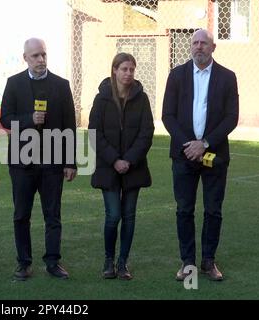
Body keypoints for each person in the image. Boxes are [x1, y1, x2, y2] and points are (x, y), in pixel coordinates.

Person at [162, 29, 239, 281]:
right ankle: (187, 262)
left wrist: (204, 143)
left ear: (213, 47)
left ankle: (208, 261)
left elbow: (231, 117)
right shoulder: (177, 75)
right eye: (195, 43)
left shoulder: (228, 77)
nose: (198, 47)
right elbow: (168, 115)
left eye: (203, 43)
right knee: (184, 209)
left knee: (213, 210)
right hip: (183, 155)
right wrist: (189, 144)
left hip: (215, 156)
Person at [0, 38, 77, 280]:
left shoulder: (61, 85)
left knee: (53, 216)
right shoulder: (13, 84)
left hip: (53, 163)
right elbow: (5, 119)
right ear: (25, 58)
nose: (40, 59)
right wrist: (29, 119)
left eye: (43, 54)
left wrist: (70, 161)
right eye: (35, 56)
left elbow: (70, 126)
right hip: (22, 163)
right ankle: (24, 263)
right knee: (21, 214)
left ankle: (53, 262)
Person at [88, 53, 154, 280]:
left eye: (131, 70)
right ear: (114, 70)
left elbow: (147, 132)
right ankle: (108, 260)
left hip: (133, 167)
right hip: (108, 167)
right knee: (113, 215)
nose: (128, 73)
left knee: (129, 215)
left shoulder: (142, 99)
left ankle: (123, 262)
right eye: (124, 69)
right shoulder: (102, 99)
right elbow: (94, 133)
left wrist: (130, 160)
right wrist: (114, 159)